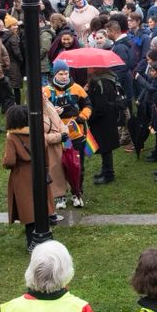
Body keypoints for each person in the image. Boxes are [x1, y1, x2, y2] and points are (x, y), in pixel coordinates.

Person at [1, 104, 56, 250]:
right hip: (38, 173)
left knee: (28, 211)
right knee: (41, 208)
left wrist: (4, 163)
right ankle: (46, 237)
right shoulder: (37, 133)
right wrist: (45, 170)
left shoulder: (12, 137)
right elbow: (46, 155)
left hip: (21, 177)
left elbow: (10, 161)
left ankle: (32, 242)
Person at [44, 60, 92, 208]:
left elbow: (88, 105)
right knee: (57, 166)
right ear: (54, 74)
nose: (64, 76)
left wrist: (81, 117)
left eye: (66, 73)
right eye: (61, 73)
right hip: (56, 136)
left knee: (77, 165)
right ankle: (60, 196)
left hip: (76, 135)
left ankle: (77, 193)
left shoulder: (77, 88)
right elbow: (37, 111)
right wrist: (50, 111)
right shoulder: (46, 91)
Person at [86, 66, 122, 186]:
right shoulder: (106, 78)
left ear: (96, 68)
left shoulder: (100, 82)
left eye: (89, 67)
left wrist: (90, 118)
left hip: (103, 119)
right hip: (108, 117)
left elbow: (100, 106)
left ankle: (109, 174)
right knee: (104, 146)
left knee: (105, 147)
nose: (87, 68)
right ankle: (105, 170)